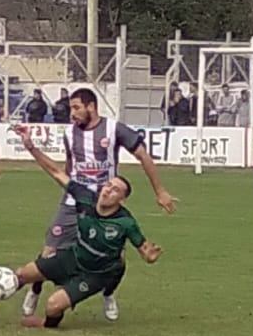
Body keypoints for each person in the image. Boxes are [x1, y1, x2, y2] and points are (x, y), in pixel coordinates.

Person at [0, 125, 163, 328]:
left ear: (122, 200)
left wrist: (150, 257)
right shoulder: (85, 198)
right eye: (109, 185)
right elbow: (56, 171)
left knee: (53, 306)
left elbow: (145, 250)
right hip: (72, 258)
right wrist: (30, 146)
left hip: (95, 275)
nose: (109, 190)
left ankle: (45, 324)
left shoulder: (126, 222)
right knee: (20, 274)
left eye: (116, 190)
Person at [21, 88, 176, 323]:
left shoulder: (114, 129)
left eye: (76, 108)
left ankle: (109, 294)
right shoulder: (69, 133)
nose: (71, 113)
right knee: (50, 250)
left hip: (105, 207)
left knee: (116, 260)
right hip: (74, 202)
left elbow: (143, 155)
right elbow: (69, 165)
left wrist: (160, 190)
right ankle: (34, 290)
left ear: (91, 107)